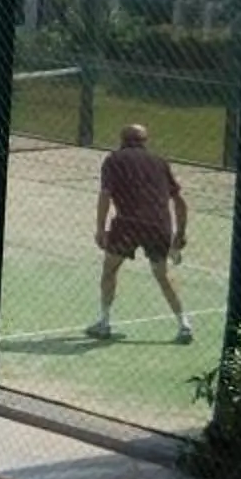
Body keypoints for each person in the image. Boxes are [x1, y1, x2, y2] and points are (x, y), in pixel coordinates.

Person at [88, 123, 192, 343]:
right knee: (162, 274)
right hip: (160, 224)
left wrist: (100, 228)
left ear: (121, 140)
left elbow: (105, 195)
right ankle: (184, 325)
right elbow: (180, 201)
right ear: (145, 141)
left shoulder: (113, 160)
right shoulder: (160, 162)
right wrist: (179, 233)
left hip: (127, 223)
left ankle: (104, 322)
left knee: (110, 270)